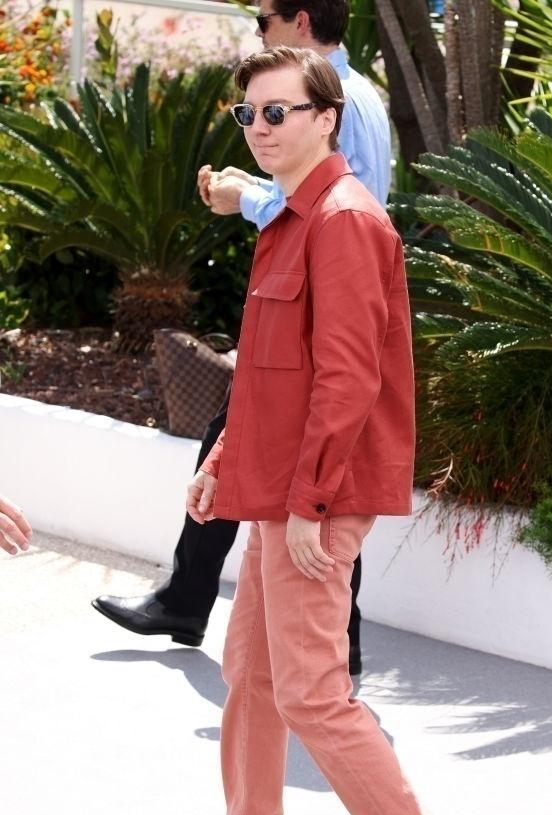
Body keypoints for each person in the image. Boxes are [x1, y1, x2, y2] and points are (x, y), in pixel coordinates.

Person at [157, 46, 496, 815]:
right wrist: (225, 460)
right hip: (279, 488)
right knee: (251, 670)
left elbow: (348, 379)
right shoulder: (292, 217)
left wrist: (308, 503)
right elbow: (269, 360)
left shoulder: (344, 222)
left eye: (277, 113)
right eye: (248, 117)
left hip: (320, 495)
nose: (260, 130)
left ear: (326, 116)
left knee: (309, 688)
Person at [91, 0, 391, 675]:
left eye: (264, 21)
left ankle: (321, 643)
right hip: (297, 331)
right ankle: (201, 603)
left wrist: (245, 198)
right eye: (248, 116)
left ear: (302, 21)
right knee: (234, 449)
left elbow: (336, 212)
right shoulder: (344, 96)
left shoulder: (342, 104)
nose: (257, 34)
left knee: (304, 477)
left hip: (314, 336)